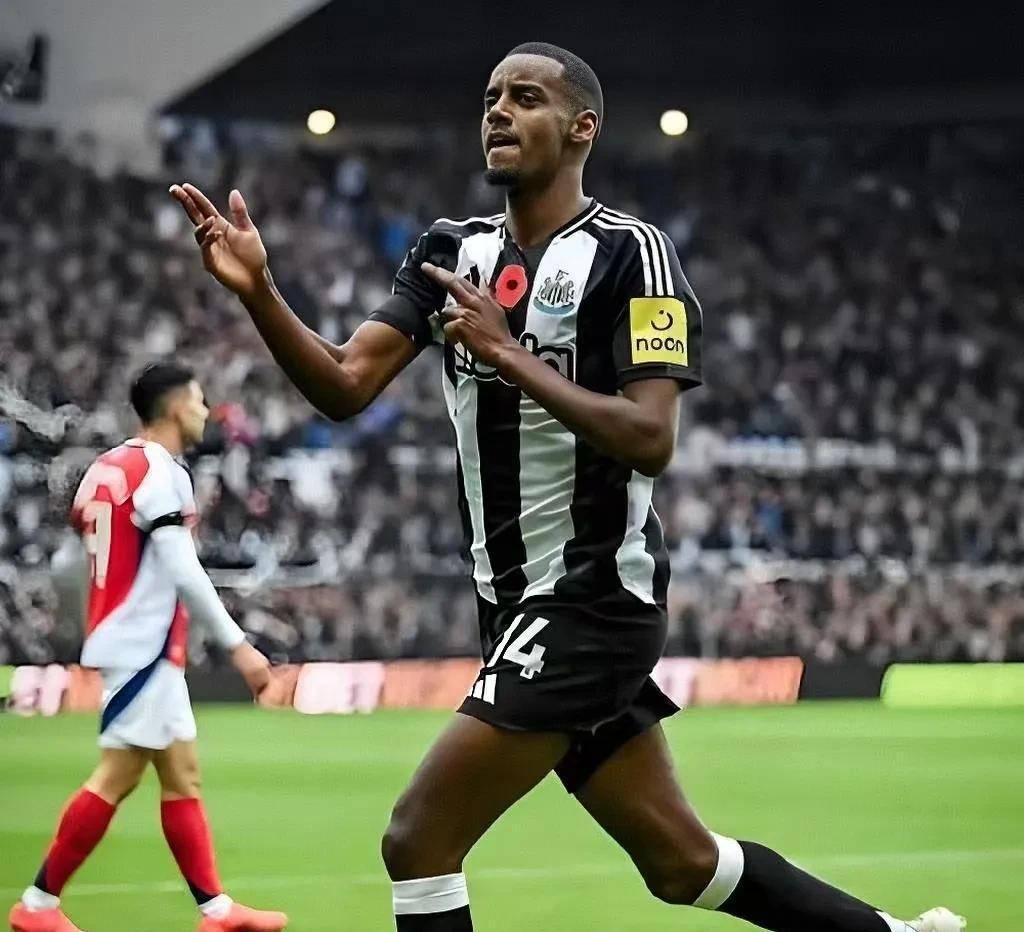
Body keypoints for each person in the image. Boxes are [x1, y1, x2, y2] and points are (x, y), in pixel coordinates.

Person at [169, 41, 965, 932]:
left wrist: (509, 355)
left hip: (591, 598)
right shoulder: (450, 251)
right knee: (681, 862)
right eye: (491, 98)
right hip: (511, 603)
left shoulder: (634, 256)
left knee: (417, 840)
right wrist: (260, 291)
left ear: (582, 127)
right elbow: (346, 384)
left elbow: (651, 438)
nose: (499, 112)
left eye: (526, 98)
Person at [9, 363, 289, 932]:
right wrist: (240, 648)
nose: (206, 412)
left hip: (132, 639)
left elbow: (84, 556)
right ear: (176, 408)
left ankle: (215, 910)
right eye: (200, 401)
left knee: (181, 774)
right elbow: (183, 569)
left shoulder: (106, 468)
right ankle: (36, 906)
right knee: (117, 775)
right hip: (145, 644)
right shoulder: (162, 472)